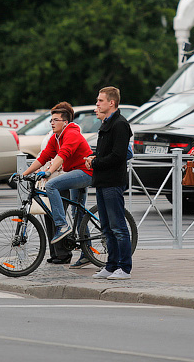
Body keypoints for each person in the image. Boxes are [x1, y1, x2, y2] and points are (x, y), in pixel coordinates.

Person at [18, 102, 93, 266]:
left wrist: (49, 171)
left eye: (55, 120)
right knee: (78, 213)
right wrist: (23, 174)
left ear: (65, 122)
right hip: (74, 173)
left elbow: (63, 155)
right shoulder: (56, 137)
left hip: (85, 172)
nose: (52, 123)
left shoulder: (71, 133)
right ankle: (88, 252)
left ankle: (61, 225)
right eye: (51, 120)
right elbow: (43, 157)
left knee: (52, 185)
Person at [85, 86, 133, 280]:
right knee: (106, 227)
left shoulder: (120, 124)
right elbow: (107, 153)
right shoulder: (106, 123)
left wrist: (95, 162)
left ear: (111, 103)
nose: (97, 104)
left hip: (113, 182)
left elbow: (118, 155)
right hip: (102, 181)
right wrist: (94, 157)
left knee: (118, 227)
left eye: (100, 100)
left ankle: (125, 268)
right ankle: (111, 265)